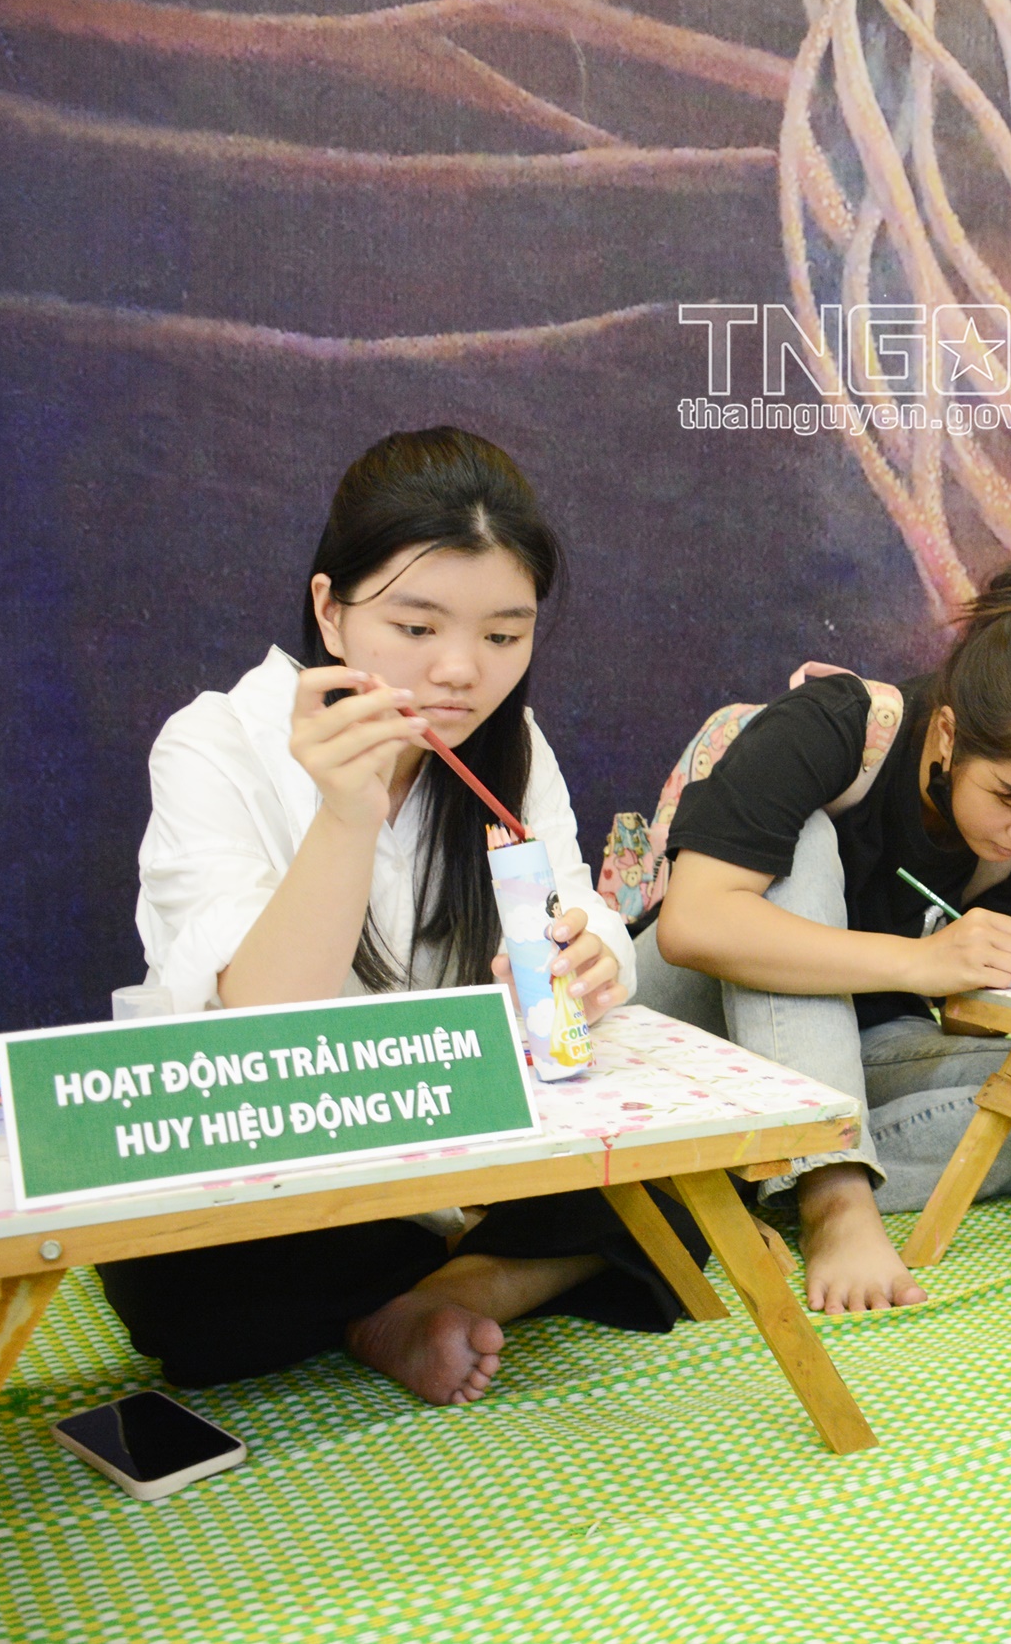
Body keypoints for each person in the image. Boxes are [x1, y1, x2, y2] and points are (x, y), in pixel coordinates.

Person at [121, 427, 673, 1405]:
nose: (462, 670)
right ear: (330, 611)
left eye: (502, 635)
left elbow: (569, 899)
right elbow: (258, 1021)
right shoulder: (215, 742)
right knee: (183, 1283)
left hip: (470, 1145)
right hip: (286, 1148)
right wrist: (347, 812)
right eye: (417, 628)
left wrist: (593, 957)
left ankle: (446, 1293)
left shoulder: (511, 744)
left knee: (683, 1172)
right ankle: (464, 1279)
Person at [654, 548, 1011, 1314]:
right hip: (687, 1028)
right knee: (806, 841)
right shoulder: (836, 724)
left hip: (856, 1049)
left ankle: (748, 1173)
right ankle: (833, 1195)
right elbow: (692, 922)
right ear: (948, 734)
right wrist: (920, 962)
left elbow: (967, 1008)